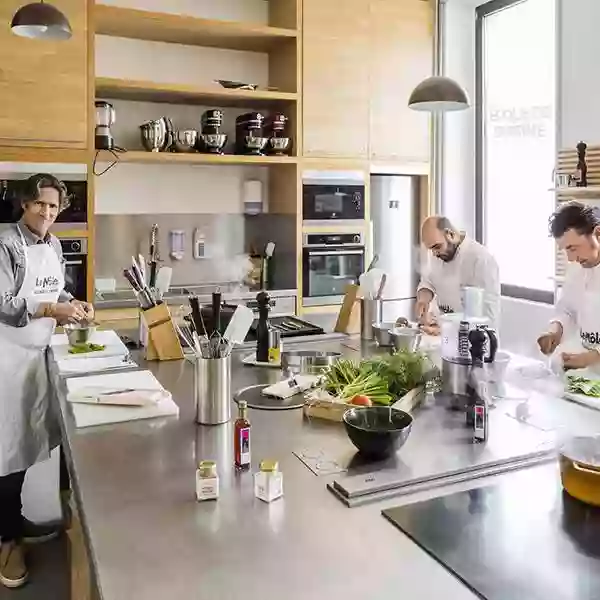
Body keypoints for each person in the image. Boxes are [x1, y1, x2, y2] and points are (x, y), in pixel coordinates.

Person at [0, 173, 93, 589]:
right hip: (5, 357)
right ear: (25, 204)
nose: (48, 213)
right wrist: (52, 310)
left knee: (25, 446)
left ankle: (14, 522)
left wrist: (75, 304)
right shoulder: (5, 242)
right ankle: (6, 544)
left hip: (36, 356)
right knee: (4, 453)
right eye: (41, 204)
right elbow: (3, 304)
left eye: (54, 207)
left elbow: (60, 291)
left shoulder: (53, 244)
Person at [538, 202, 600, 370]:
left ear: (598, 234)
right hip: (589, 373)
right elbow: (568, 310)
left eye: (573, 248)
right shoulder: (576, 269)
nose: (571, 258)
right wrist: (555, 332)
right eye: (565, 250)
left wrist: (593, 357)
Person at [416, 216, 501, 333]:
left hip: (476, 342)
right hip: (446, 337)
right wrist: (423, 300)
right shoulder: (438, 255)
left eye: (437, 247)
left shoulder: (481, 259)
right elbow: (427, 282)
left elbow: (487, 318)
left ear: (450, 234)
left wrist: (447, 330)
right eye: (431, 249)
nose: (434, 253)